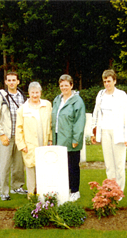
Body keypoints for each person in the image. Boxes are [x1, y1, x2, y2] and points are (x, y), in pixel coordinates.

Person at [91, 69, 127, 192]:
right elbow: (96, 113)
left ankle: (119, 191)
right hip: (104, 131)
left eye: (109, 81)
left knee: (119, 164)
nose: (107, 84)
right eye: (104, 81)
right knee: (109, 164)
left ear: (114, 81)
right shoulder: (101, 94)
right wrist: (93, 133)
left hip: (118, 132)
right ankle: (110, 189)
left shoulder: (121, 95)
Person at [0, 71, 28, 201]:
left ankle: (17, 186)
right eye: (9, 80)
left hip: (19, 136)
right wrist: (1, 134)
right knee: (5, 164)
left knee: (18, 164)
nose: (12, 82)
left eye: (14, 80)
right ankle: (4, 191)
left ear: (18, 82)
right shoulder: (1, 96)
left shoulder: (23, 96)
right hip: (6, 135)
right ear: (6, 82)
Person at [52, 74, 86, 202]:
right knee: (61, 166)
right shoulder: (57, 99)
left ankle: (75, 191)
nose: (64, 88)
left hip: (71, 139)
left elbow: (79, 122)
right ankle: (65, 188)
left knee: (73, 166)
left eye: (66, 85)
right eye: (61, 85)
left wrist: (75, 139)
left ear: (71, 85)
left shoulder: (77, 101)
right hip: (58, 138)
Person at [15, 82, 52, 196]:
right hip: (29, 144)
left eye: (37, 92)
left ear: (40, 93)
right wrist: (21, 145)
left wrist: (50, 140)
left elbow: (51, 123)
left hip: (44, 141)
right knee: (31, 168)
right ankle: (32, 195)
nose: (35, 95)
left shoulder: (47, 105)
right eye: (32, 92)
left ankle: (44, 193)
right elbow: (19, 128)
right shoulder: (22, 109)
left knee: (44, 168)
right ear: (29, 93)